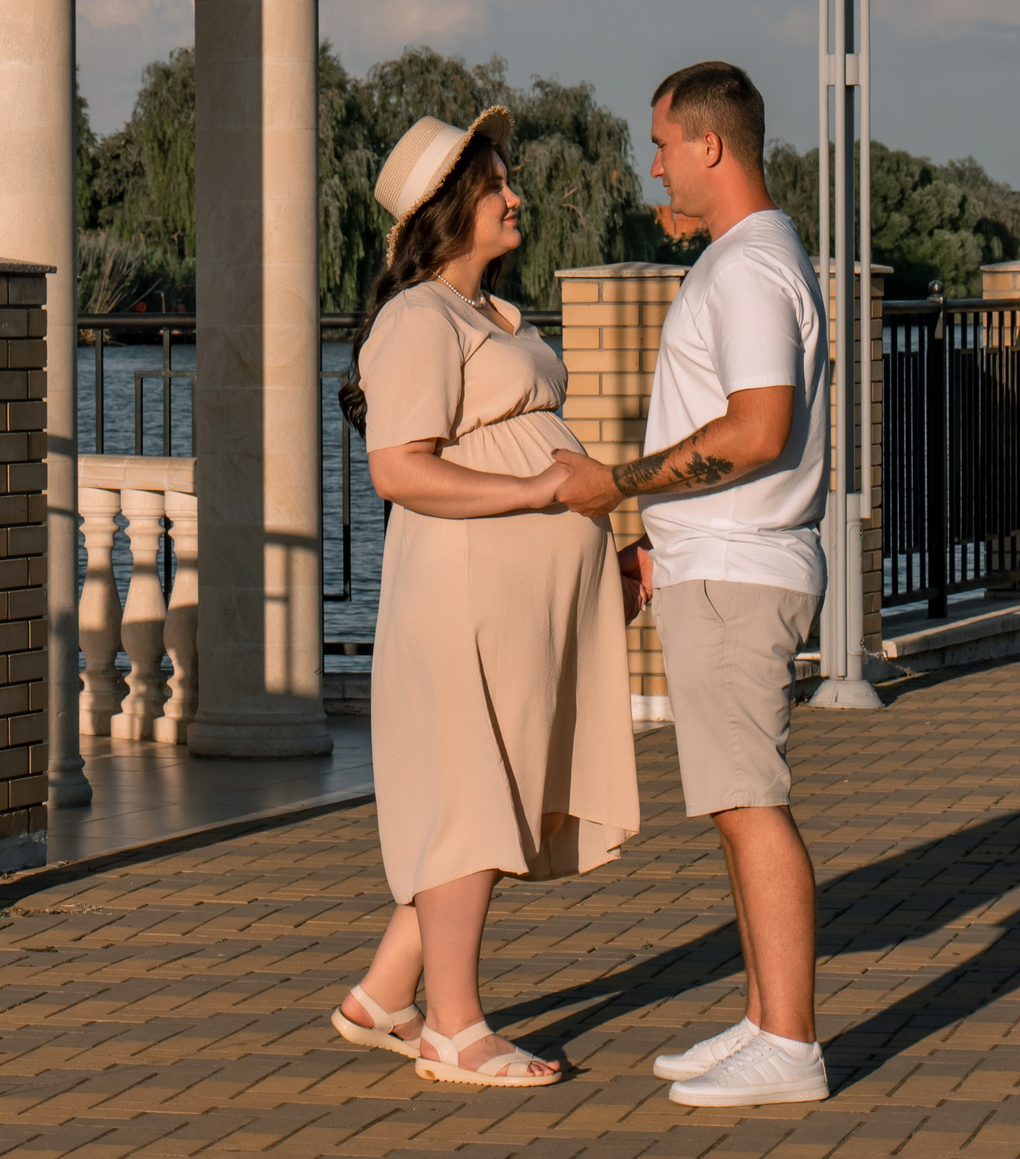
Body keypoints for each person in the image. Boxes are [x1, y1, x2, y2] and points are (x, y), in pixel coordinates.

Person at [326, 109, 640, 1089]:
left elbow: (539, 441)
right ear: (450, 208)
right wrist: (537, 493)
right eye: (499, 184)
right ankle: (453, 1031)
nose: (518, 196)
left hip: (521, 604)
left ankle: (384, 994)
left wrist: (613, 549)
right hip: (462, 594)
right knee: (468, 800)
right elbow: (400, 471)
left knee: (494, 792)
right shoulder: (417, 318)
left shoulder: (493, 315)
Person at [562, 60, 835, 1108]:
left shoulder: (748, 270)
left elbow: (758, 430)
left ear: (709, 146)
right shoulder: (740, 259)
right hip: (711, 565)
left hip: (736, 575)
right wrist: (653, 545)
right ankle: (768, 1020)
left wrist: (615, 486)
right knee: (732, 804)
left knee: (750, 805)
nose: (653, 165)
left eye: (662, 145)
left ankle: (794, 1047)